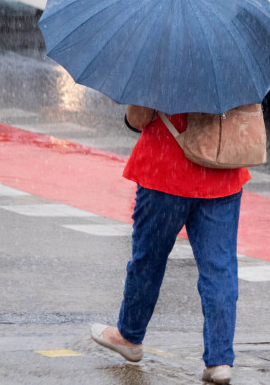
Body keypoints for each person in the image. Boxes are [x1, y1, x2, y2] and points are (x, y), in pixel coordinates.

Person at [90, 104, 250, 384]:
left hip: (166, 170)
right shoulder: (234, 64)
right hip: (221, 169)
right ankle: (220, 360)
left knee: (148, 260)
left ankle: (129, 335)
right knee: (219, 269)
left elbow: (138, 117)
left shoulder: (161, 61)